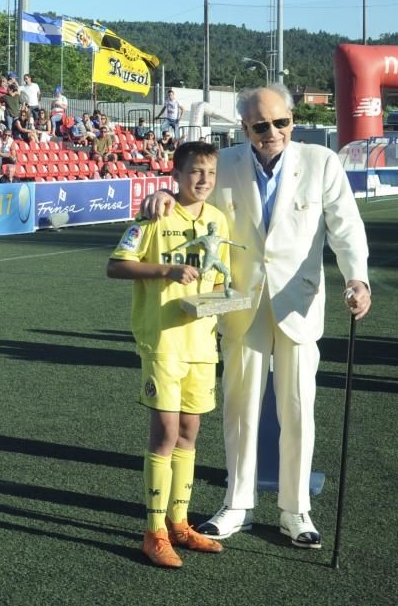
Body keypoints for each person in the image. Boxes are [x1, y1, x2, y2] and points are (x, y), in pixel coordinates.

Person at [141, 84, 372, 549]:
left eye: (281, 122)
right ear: (244, 127)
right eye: (261, 125)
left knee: (298, 409)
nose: (273, 133)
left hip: (299, 302)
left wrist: (357, 279)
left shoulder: (321, 161)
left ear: (292, 119)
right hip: (238, 304)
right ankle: (236, 504)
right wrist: (165, 195)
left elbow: (345, 225)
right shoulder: (225, 163)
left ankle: (295, 510)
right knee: (239, 407)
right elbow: (193, 188)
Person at [108, 141, 229, 568]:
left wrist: (222, 301)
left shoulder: (217, 220)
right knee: (164, 434)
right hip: (162, 342)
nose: (203, 181)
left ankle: (181, 522)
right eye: (195, 172)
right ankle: (154, 530)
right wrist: (167, 270)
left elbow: (218, 284)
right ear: (175, 175)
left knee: (190, 434)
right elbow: (116, 265)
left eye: (210, 174)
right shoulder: (156, 214)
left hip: (201, 343)